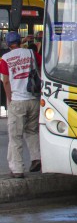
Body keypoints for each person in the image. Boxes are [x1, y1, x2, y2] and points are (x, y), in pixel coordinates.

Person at [0, 31, 42, 178]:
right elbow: (41, 68)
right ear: (20, 41)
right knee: (32, 131)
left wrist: (10, 99)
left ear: (7, 44)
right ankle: (36, 158)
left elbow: (5, 81)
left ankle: (17, 169)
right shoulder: (31, 53)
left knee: (15, 136)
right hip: (33, 100)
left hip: (17, 101)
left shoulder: (5, 59)